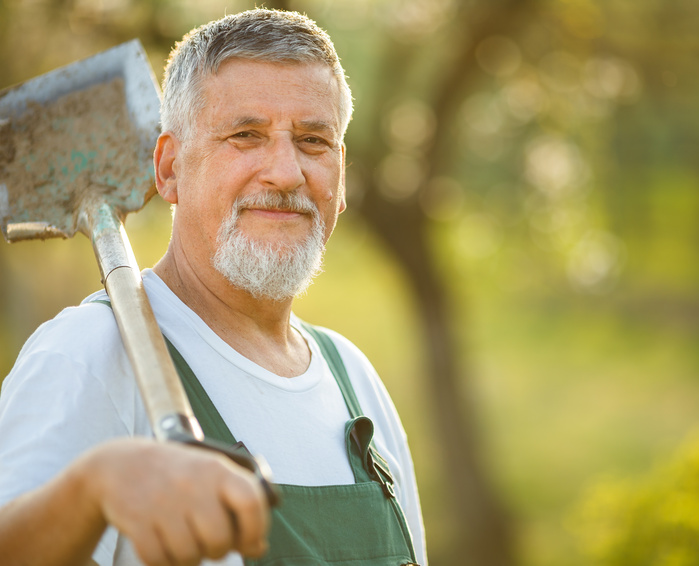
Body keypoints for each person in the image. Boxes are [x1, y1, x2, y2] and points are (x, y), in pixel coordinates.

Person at [0, 8, 426, 566]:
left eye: (313, 141)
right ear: (170, 167)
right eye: (245, 136)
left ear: (341, 176)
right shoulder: (88, 353)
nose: (286, 172)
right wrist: (92, 487)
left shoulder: (354, 379)